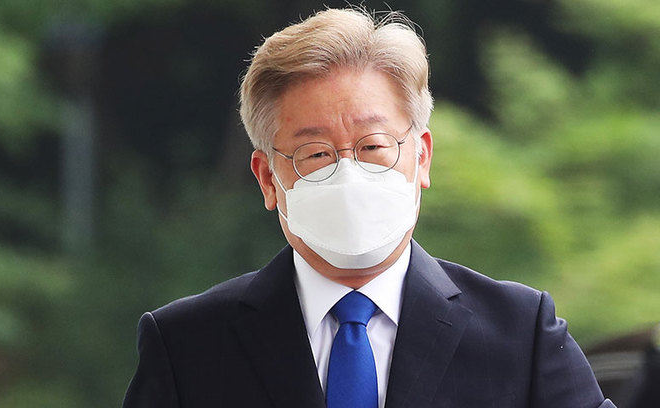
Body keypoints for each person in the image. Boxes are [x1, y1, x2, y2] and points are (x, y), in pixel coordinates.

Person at [123, 7, 616, 408]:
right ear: (268, 178)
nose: (348, 174)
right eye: (316, 154)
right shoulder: (186, 347)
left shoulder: (521, 335)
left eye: (374, 146)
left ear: (421, 157)